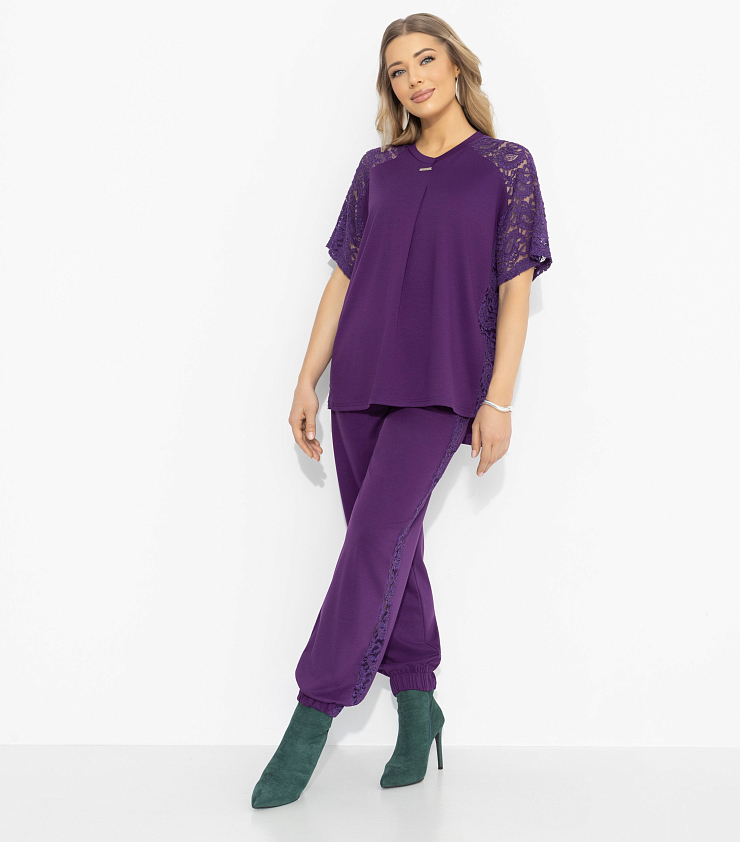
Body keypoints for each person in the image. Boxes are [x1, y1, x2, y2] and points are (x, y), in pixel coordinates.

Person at [251, 12, 552, 809]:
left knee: (373, 540)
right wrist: (307, 379)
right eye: (397, 69)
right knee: (390, 545)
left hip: (445, 386)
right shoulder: (377, 169)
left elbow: (514, 291)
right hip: (358, 383)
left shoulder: (506, 166)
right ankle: (419, 707)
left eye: (425, 59)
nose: (414, 77)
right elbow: (342, 279)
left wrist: (499, 400)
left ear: (456, 67)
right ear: (390, 87)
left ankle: (311, 716)